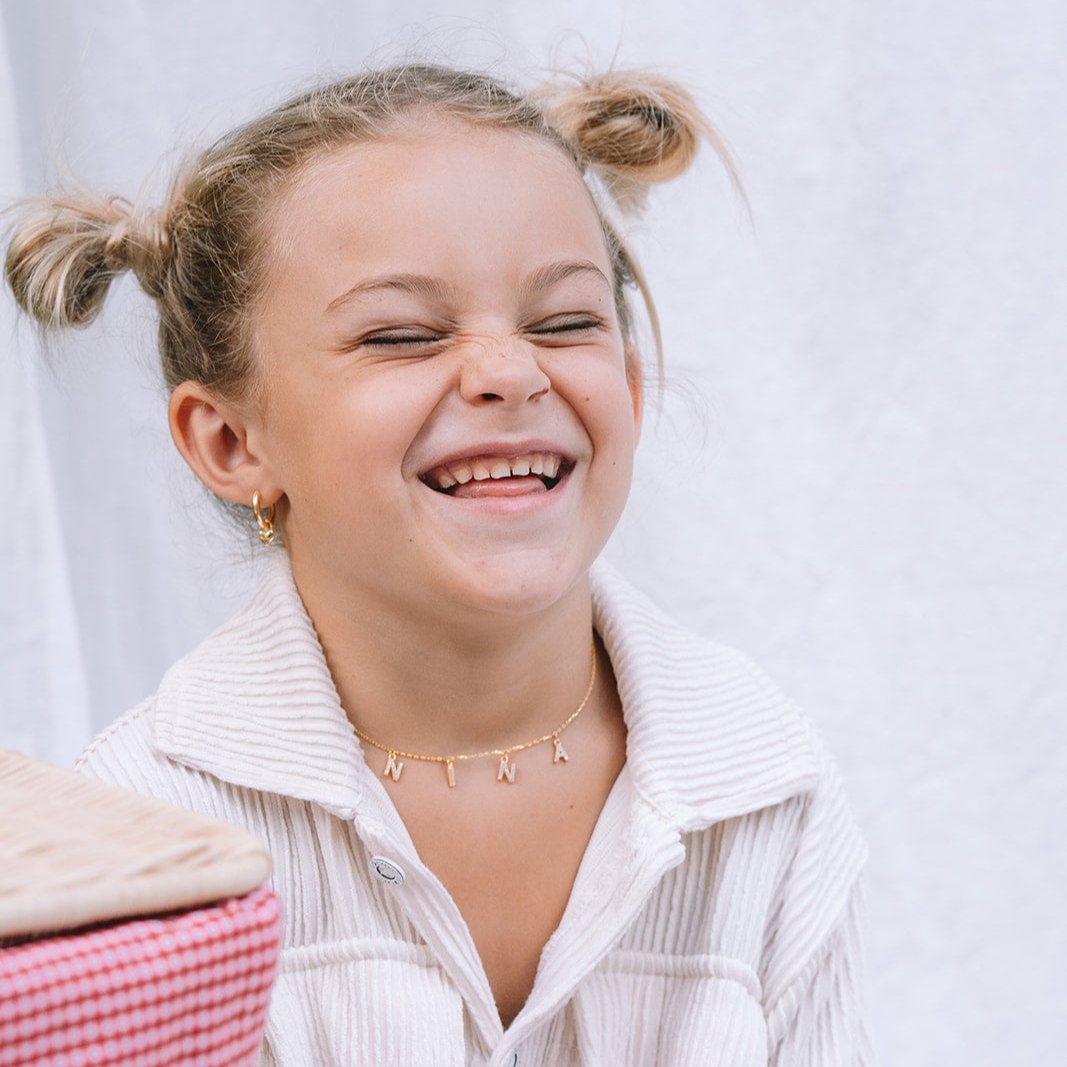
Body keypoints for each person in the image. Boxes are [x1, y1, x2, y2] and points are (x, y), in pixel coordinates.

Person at [5, 63, 872, 1065]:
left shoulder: (765, 788)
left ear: (629, 391)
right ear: (231, 441)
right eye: (402, 334)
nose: (509, 372)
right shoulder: (145, 841)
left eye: (562, 321)